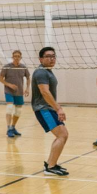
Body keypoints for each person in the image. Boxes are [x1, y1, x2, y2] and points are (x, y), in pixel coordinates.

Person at [32, 46, 69, 176]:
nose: (51, 58)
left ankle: (50, 163)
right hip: (43, 109)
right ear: (41, 59)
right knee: (62, 135)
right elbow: (44, 92)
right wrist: (58, 108)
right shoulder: (41, 72)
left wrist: (56, 106)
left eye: (53, 56)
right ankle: (50, 167)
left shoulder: (48, 71)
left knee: (63, 134)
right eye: (48, 56)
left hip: (48, 108)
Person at [0, 50, 29, 139]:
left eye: (18, 56)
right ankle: (8, 129)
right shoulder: (6, 67)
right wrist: (9, 85)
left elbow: (28, 78)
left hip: (19, 92)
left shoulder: (23, 67)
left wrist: (27, 89)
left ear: (20, 57)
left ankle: (13, 127)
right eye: (15, 56)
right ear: (12, 57)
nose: (16, 57)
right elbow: (0, 79)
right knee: (9, 108)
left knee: (18, 111)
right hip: (9, 91)